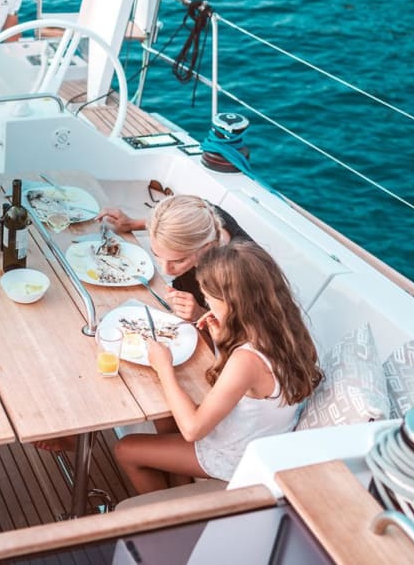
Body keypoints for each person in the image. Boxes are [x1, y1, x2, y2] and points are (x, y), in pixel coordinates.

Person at [114, 241, 322, 493]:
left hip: (234, 456)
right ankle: (179, 486)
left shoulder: (247, 360)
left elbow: (192, 430)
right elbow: (251, 386)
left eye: (209, 299)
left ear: (230, 302)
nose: (208, 304)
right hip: (259, 439)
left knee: (125, 449)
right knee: (167, 417)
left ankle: (166, 510)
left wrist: (163, 367)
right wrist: (222, 342)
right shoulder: (290, 330)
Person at [101, 194, 250, 321]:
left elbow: (243, 334)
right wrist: (132, 224)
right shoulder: (201, 213)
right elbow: (170, 225)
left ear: (206, 247)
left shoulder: (239, 274)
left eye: (179, 261)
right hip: (182, 298)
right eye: (157, 255)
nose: (165, 271)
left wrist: (200, 314)